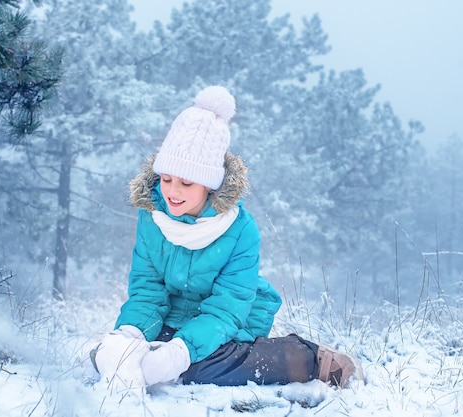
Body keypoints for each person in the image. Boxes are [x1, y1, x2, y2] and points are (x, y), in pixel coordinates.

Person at [91, 86, 363, 392]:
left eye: (186, 182)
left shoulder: (241, 230)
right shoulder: (152, 216)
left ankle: (311, 358)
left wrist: (180, 354)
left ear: (209, 185)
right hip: (173, 318)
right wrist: (131, 335)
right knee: (110, 357)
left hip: (228, 322)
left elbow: (226, 310)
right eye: (166, 179)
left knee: (201, 369)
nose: (172, 192)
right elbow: (147, 290)